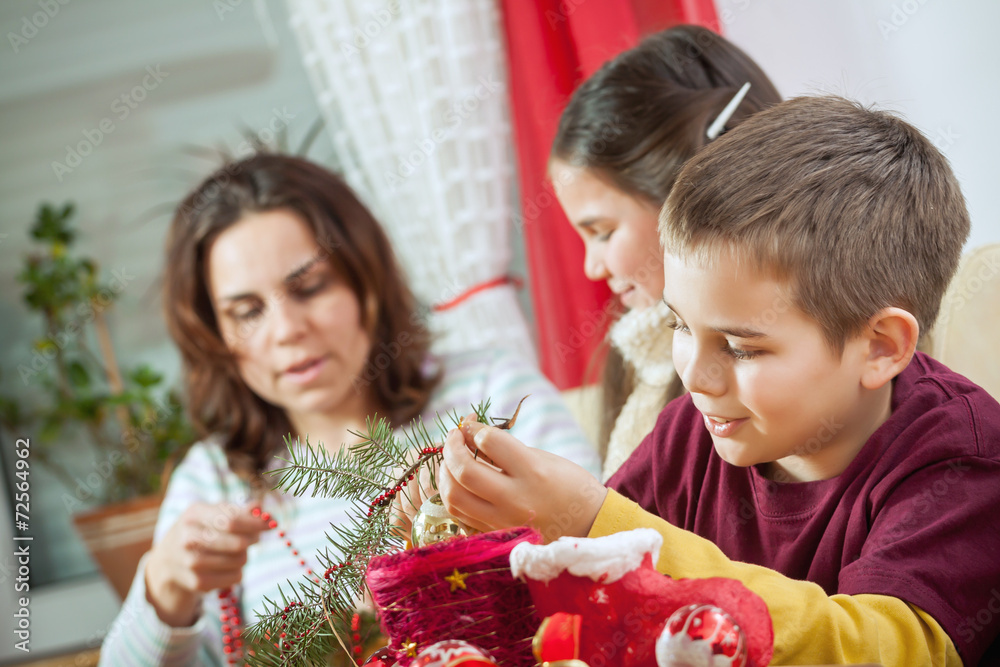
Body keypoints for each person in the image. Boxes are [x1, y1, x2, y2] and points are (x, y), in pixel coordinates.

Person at [435, 96, 1000, 664]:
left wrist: (595, 525)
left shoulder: (962, 457)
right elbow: (578, 616)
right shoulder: (692, 430)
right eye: (680, 324)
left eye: (740, 348)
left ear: (879, 347)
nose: (696, 378)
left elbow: (887, 651)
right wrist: (483, 528)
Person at [99, 153, 598, 665]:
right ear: (216, 335)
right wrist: (165, 590)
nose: (287, 329)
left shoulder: (492, 393)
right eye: (247, 311)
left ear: (366, 282)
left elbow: (613, 550)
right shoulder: (213, 480)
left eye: (309, 287)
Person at [548, 25, 781, 479]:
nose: (591, 267)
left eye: (602, 231)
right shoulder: (643, 361)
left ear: (689, 195)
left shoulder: (745, 391)